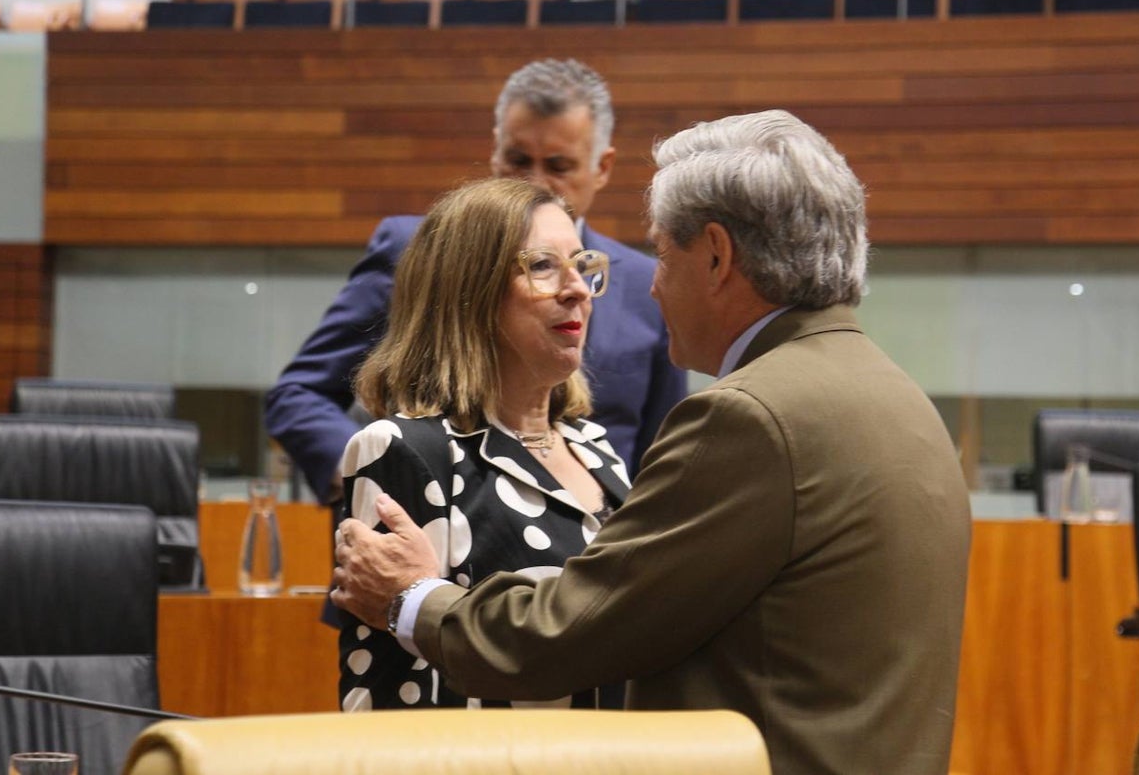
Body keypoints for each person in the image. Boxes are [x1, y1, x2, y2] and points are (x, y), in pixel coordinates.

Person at [332, 110, 973, 775]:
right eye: (545, 266)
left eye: (663, 255)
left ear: (718, 257)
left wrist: (413, 600)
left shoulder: (745, 419)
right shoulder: (905, 403)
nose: (648, 285)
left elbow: (584, 629)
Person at [265, 59, 685, 507]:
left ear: (602, 167)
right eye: (518, 160)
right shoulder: (419, 252)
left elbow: (660, 459)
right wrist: (375, 477)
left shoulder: (647, 285)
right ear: (494, 151)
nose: (534, 182)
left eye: (558, 165)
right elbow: (299, 394)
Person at [334, 177, 630, 711]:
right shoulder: (408, 449)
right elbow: (389, 690)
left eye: (582, 265)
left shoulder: (596, 448)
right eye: (542, 266)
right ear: (469, 291)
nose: (579, 289)